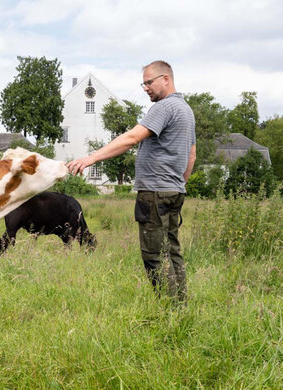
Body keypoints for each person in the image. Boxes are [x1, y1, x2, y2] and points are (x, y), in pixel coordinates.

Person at [67, 60, 196, 302]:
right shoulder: (186, 110)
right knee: (172, 251)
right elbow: (192, 155)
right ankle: (180, 302)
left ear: (166, 79)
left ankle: (168, 308)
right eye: (143, 83)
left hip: (156, 191)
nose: (146, 87)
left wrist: (91, 158)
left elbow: (133, 137)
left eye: (150, 82)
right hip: (174, 191)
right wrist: (179, 185)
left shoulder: (163, 107)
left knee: (154, 255)